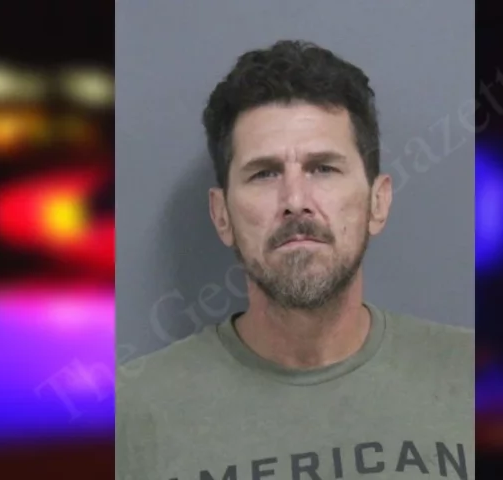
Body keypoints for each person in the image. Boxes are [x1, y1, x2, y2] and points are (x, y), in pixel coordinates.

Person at [116, 40, 473, 480]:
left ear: (378, 203)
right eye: (264, 173)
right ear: (222, 215)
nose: (295, 201)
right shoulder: (133, 417)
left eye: (323, 168)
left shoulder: (477, 383)